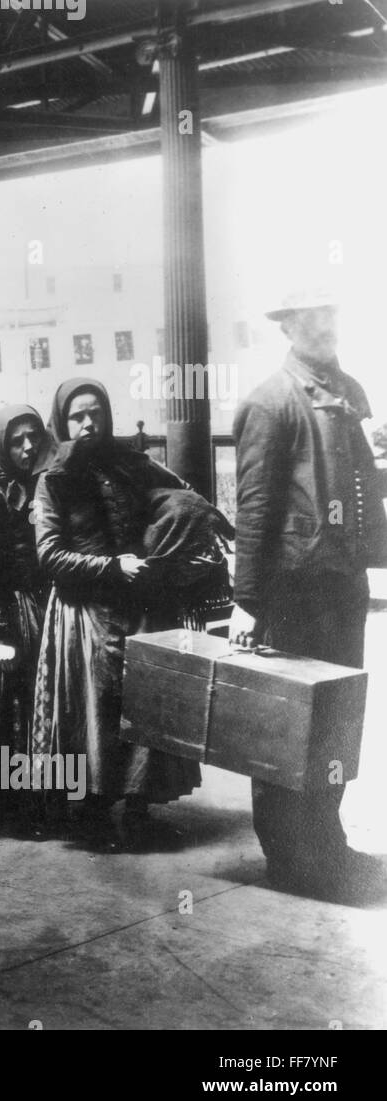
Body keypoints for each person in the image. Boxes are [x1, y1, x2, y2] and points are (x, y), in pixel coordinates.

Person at [230, 288, 387, 897]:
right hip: (292, 591)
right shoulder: (271, 403)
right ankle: (290, 859)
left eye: (332, 311)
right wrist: (247, 600)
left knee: (339, 719)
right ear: (289, 325)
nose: (327, 324)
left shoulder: (349, 394)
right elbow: (255, 507)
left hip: (343, 586)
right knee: (288, 725)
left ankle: (328, 845)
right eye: (313, 315)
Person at [30, 379, 201, 848]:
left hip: (141, 603)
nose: (88, 424)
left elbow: (180, 496)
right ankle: (93, 810)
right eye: (76, 417)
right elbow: (49, 555)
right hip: (86, 612)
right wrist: (109, 566)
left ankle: (141, 808)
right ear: (61, 423)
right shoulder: (54, 480)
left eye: (96, 414)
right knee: (98, 709)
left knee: (147, 703)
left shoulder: (133, 466)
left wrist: (171, 539)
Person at [0, 405, 54, 833]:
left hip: (43, 606)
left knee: (42, 699)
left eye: (33, 436)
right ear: (1, 445)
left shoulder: (44, 487)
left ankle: (43, 793)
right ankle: (13, 801)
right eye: (17, 440)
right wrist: (2, 630)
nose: (29, 446)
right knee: (11, 701)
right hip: (9, 612)